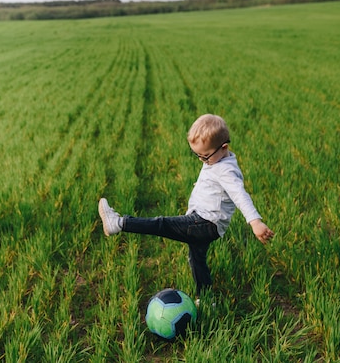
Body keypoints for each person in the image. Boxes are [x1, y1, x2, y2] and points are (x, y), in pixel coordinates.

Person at [99, 114, 274, 301]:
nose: (201, 160)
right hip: (205, 222)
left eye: (205, 156)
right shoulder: (218, 159)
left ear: (224, 147)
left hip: (204, 223)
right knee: (197, 259)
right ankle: (205, 299)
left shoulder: (226, 170)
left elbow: (240, 195)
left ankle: (118, 223)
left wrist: (255, 222)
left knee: (161, 224)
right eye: (197, 155)